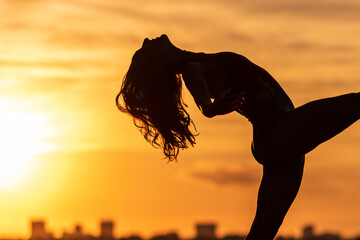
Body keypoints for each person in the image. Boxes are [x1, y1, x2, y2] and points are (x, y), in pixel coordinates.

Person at [116, 34, 360, 240]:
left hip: (276, 141)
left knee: (261, 234)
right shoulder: (192, 68)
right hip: (278, 133)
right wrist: (211, 109)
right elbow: (204, 103)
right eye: (145, 47)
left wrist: (213, 107)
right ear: (158, 61)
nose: (148, 39)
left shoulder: (198, 62)